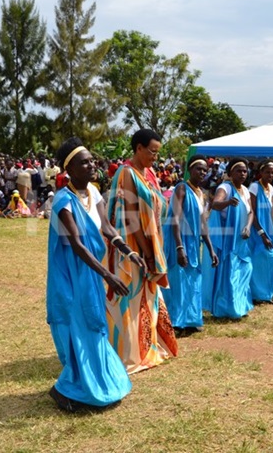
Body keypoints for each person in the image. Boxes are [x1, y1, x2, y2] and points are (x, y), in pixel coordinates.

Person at [46, 137, 134, 412]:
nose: (92, 165)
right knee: (78, 328)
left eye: (92, 160)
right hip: (71, 275)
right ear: (68, 169)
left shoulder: (93, 193)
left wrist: (126, 250)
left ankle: (95, 381)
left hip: (90, 273)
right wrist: (108, 275)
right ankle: (66, 389)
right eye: (84, 162)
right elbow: (76, 243)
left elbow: (106, 227)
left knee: (93, 324)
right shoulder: (63, 200)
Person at [106, 129, 178, 374]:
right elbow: (131, 217)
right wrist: (146, 252)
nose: (155, 157)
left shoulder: (149, 174)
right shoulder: (126, 174)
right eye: (152, 151)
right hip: (132, 249)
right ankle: (129, 352)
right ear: (138, 148)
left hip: (150, 246)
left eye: (158, 153)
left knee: (146, 298)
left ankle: (146, 346)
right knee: (131, 298)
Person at [162, 155, 218, 333]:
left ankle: (191, 319)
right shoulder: (181, 188)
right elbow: (175, 220)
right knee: (178, 281)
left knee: (192, 280)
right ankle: (176, 322)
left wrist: (211, 250)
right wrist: (179, 247)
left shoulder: (201, 193)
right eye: (198, 169)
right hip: (179, 241)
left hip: (194, 243)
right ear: (189, 170)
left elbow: (203, 225)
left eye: (205, 170)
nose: (202, 172)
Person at [202, 157, 254, 318]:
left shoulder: (245, 190)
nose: (242, 174)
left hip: (241, 238)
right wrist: (227, 203)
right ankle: (228, 308)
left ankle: (239, 304)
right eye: (239, 170)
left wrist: (248, 227)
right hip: (227, 239)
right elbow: (215, 204)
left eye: (245, 171)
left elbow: (251, 212)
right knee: (230, 272)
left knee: (245, 269)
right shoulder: (225, 187)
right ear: (231, 173)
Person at [248, 160, 273, 304]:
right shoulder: (254, 187)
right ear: (261, 172)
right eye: (267, 172)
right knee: (260, 261)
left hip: (271, 230)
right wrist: (261, 234)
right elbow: (253, 212)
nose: (270, 174)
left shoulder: (270, 187)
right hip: (257, 231)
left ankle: (266, 294)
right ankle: (257, 294)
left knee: (271, 263)